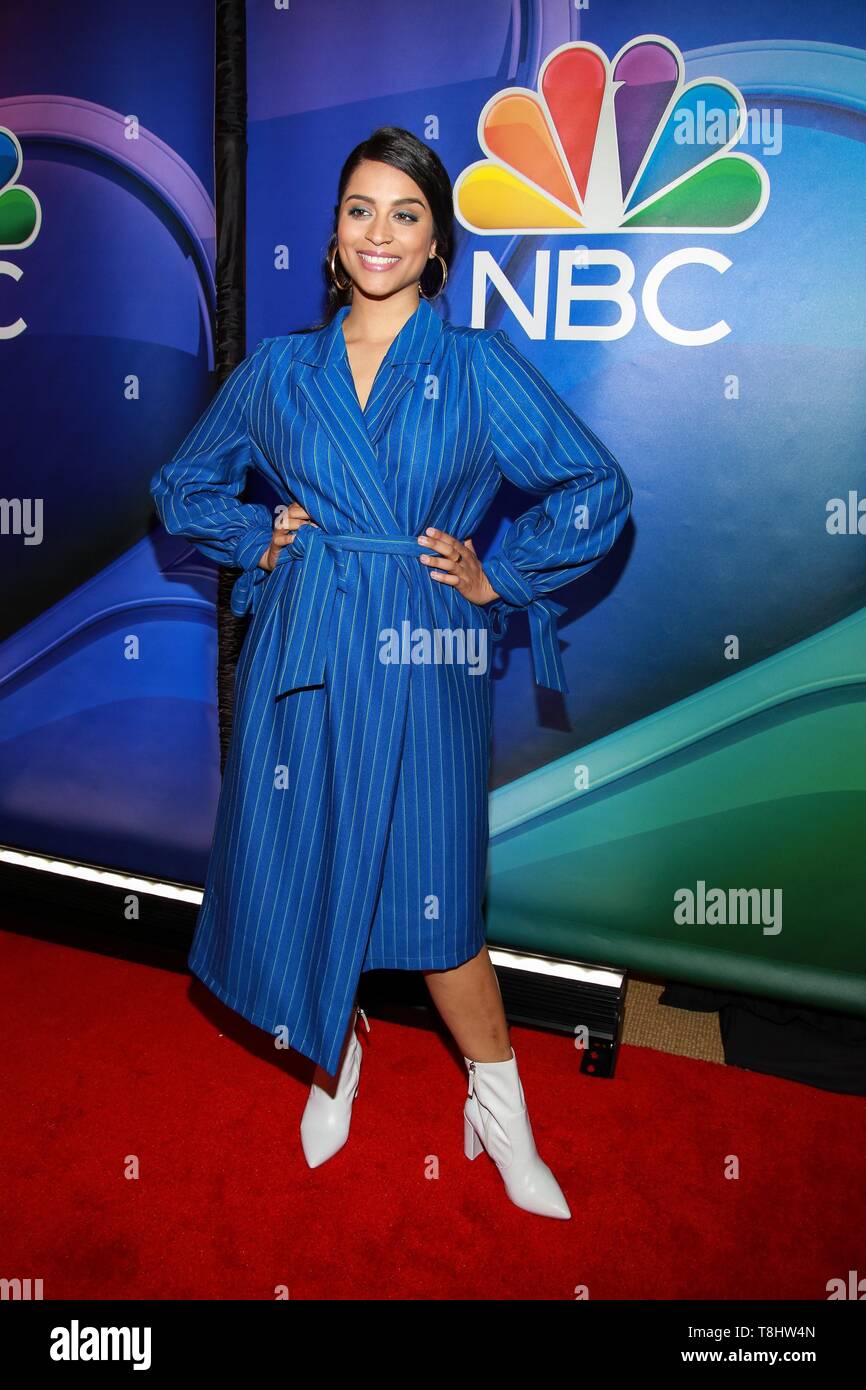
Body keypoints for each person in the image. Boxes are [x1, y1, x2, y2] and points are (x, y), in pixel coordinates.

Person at [150, 125, 632, 1220]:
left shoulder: (470, 367)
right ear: (332, 236)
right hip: (306, 651)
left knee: (438, 902)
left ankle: (497, 1107)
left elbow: (594, 489)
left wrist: (495, 574)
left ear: (435, 246)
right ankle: (334, 1054)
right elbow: (181, 486)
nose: (379, 233)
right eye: (359, 210)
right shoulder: (279, 371)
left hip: (425, 654)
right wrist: (255, 537)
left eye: (404, 214)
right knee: (316, 866)